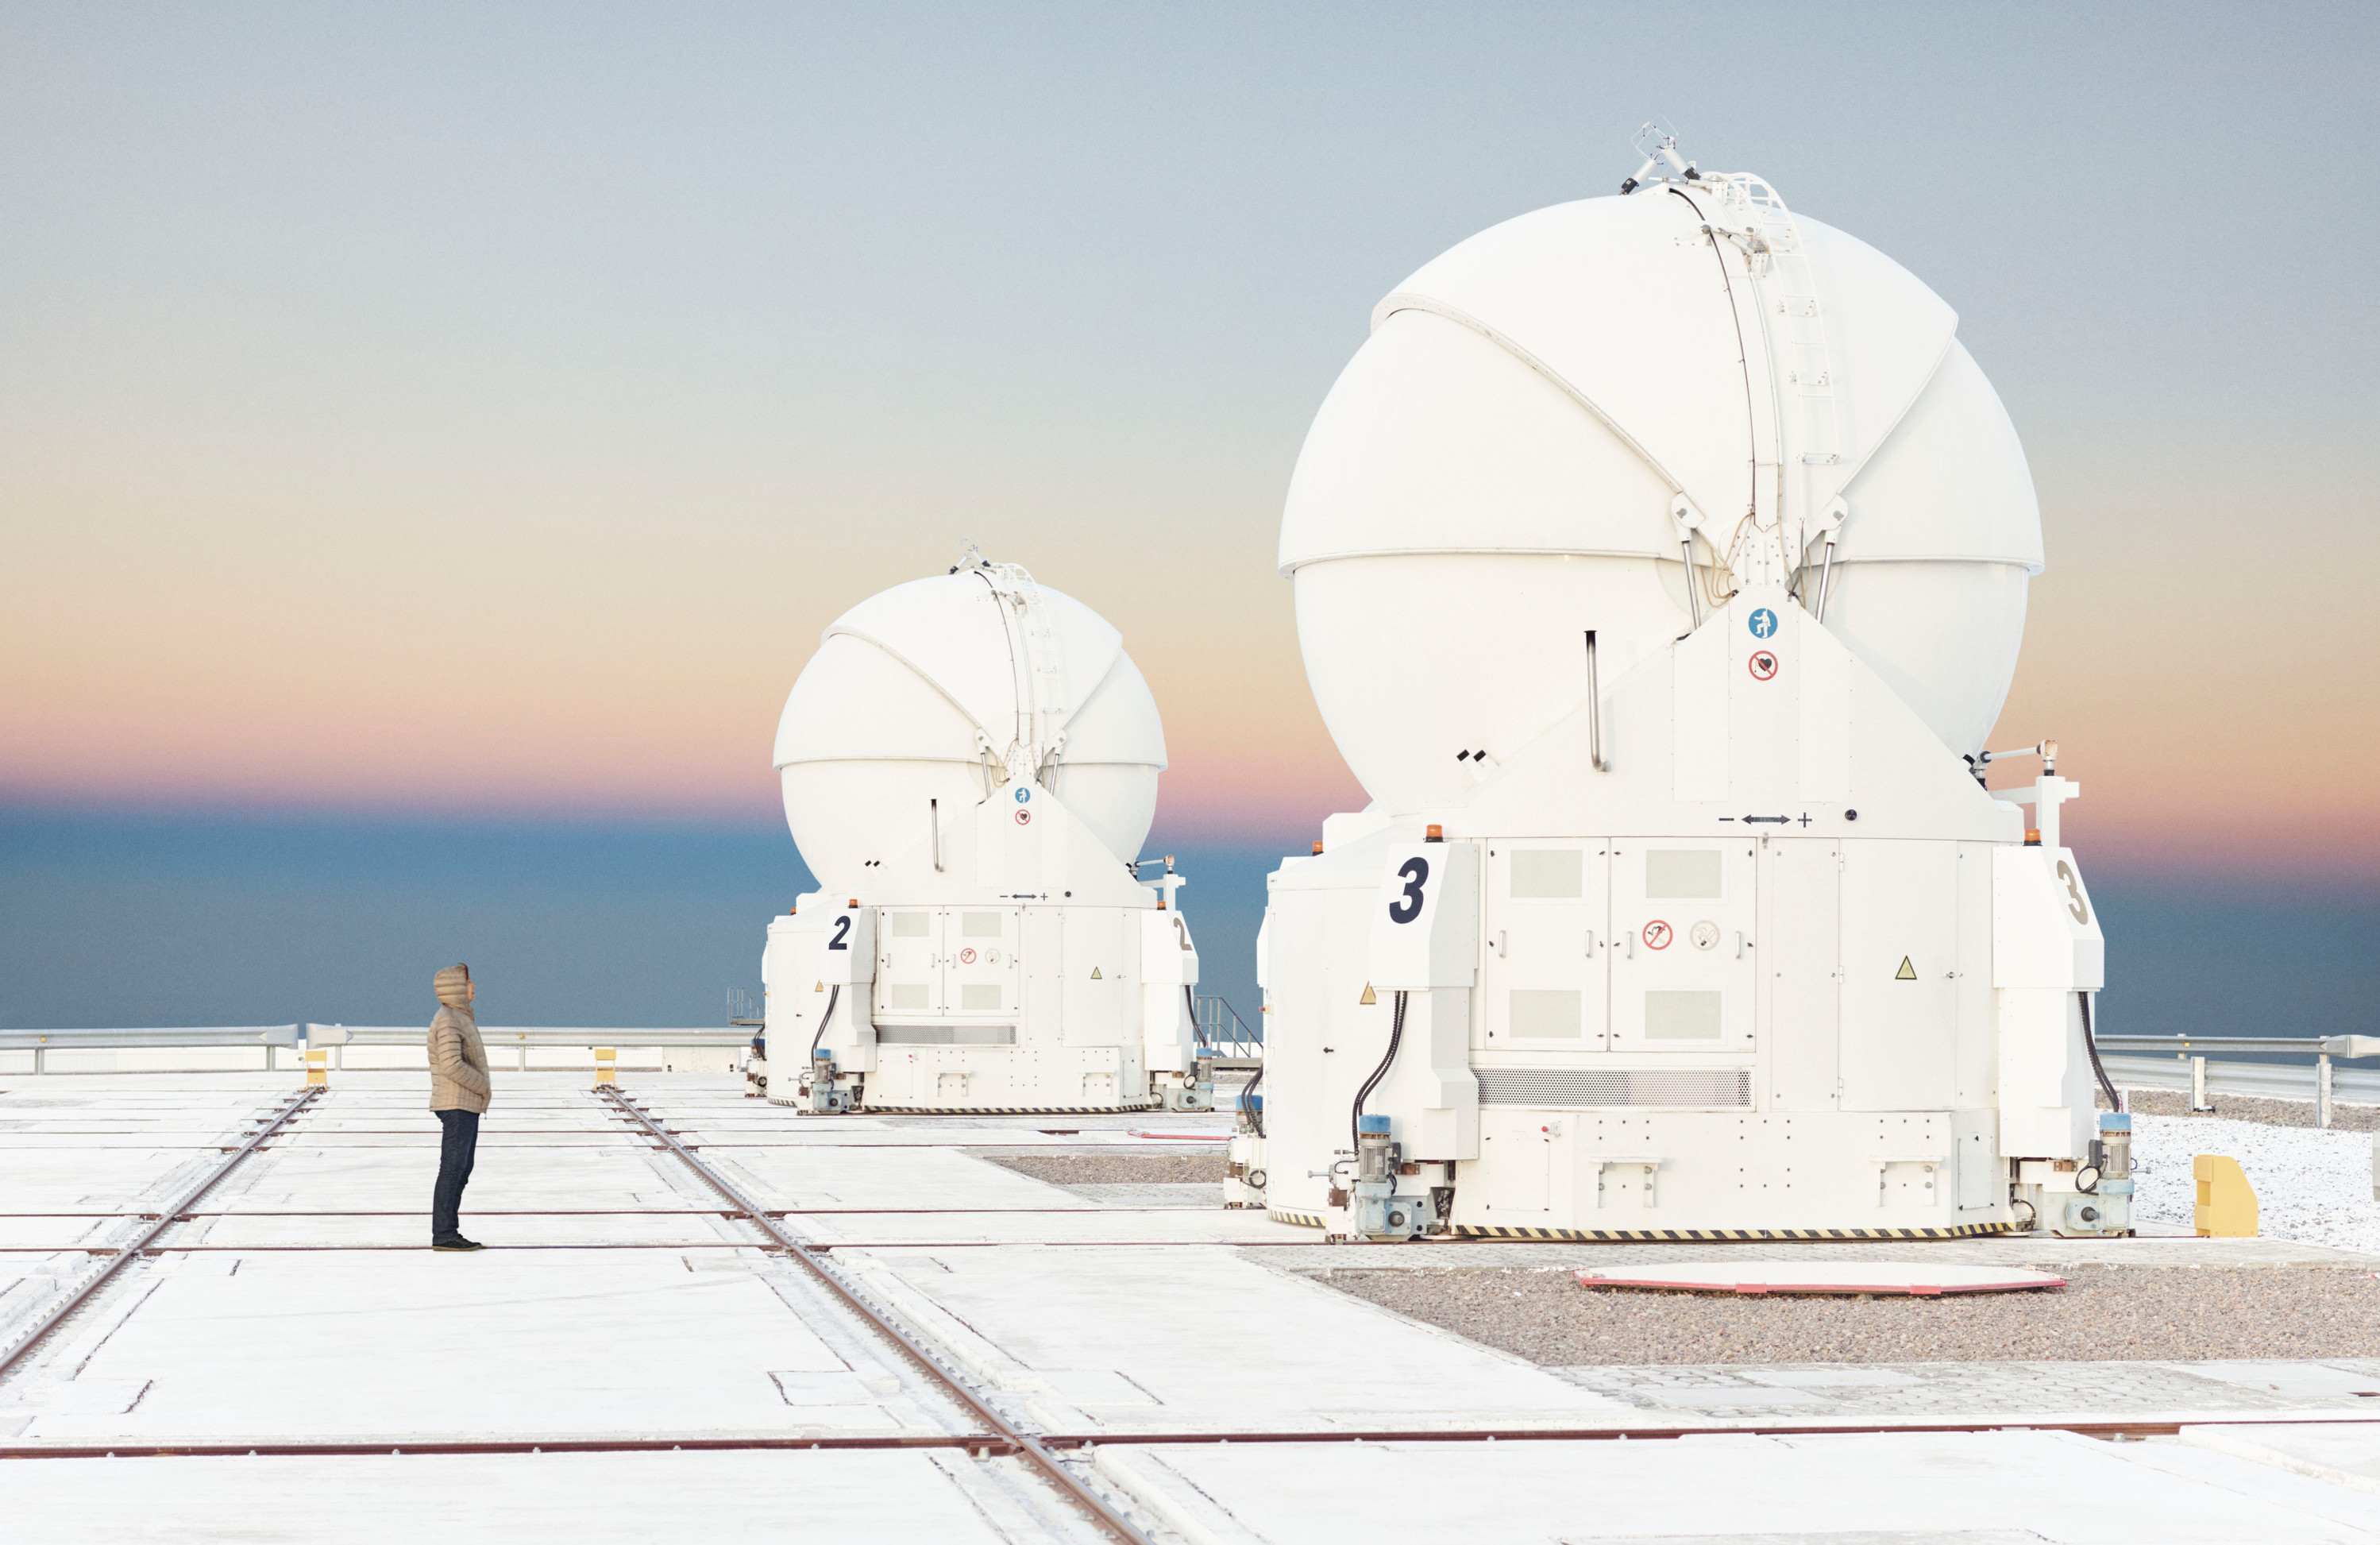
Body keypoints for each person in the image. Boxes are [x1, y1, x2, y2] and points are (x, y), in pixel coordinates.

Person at [428, 963, 492, 1250]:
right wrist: (482, 1085)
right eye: (469, 982)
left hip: (464, 1103)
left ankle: (449, 1232)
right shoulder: (449, 1019)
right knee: (453, 1169)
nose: (474, 986)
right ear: (457, 987)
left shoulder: (459, 1017)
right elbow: (452, 1065)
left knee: (461, 1168)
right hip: (457, 1104)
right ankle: (444, 1234)